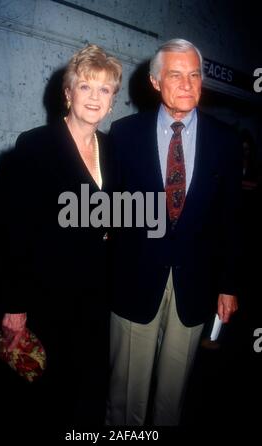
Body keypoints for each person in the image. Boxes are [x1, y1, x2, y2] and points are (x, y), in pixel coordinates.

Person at [0, 44, 122, 427]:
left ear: (113, 101)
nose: (94, 98)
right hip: (44, 297)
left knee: (86, 393)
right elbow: (9, 233)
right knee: (43, 396)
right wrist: (13, 306)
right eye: (85, 87)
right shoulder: (35, 145)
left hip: (95, 299)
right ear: (68, 92)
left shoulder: (112, 150)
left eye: (105, 90)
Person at [105, 38, 242, 426]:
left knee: (172, 398)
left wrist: (229, 285)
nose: (187, 83)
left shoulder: (226, 141)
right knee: (125, 396)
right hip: (135, 280)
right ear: (154, 81)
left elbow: (231, 218)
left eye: (194, 74)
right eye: (176, 74)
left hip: (196, 283)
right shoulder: (124, 133)